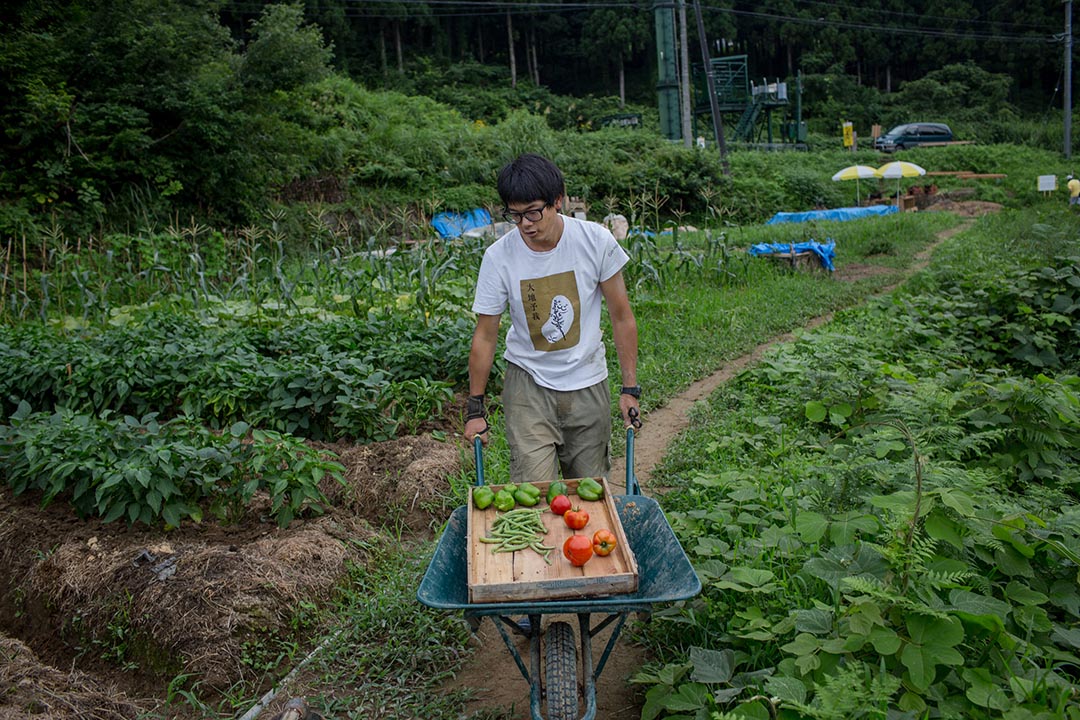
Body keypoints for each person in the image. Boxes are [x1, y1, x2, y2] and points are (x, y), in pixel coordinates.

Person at [463, 153, 641, 485]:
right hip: (528, 385)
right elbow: (486, 335)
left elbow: (622, 316)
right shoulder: (498, 257)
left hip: (587, 382)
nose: (525, 224)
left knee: (589, 492)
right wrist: (476, 408)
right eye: (515, 215)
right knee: (533, 493)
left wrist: (630, 387)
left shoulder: (595, 241)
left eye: (533, 211)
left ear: (557, 200)